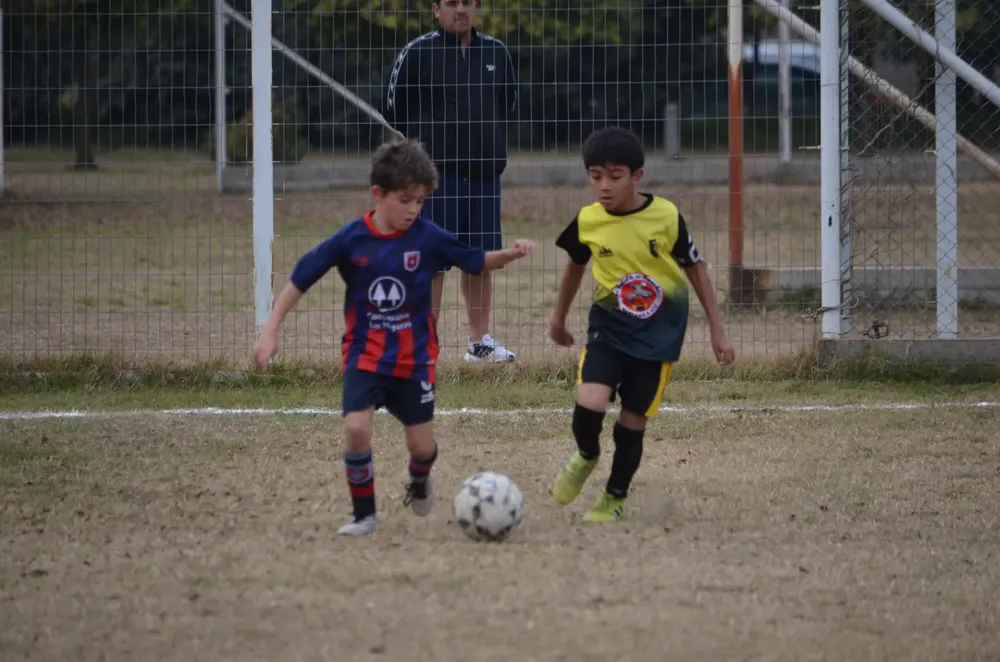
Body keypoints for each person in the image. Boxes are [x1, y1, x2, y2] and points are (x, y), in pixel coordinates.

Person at [253, 139, 536, 536]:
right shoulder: (353, 239)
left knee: (422, 448)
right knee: (356, 428)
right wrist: (270, 330)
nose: (414, 210)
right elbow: (303, 274)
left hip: (414, 360)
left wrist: (511, 253)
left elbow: (476, 260)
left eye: (420, 201)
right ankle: (364, 516)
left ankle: (419, 477)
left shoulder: (428, 237)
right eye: (405, 200)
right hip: (364, 356)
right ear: (378, 194)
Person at [547, 127, 736, 522]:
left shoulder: (666, 216)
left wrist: (718, 330)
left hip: (659, 336)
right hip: (609, 329)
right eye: (595, 176)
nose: (603, 186)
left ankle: (613, 497)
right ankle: (586, 455)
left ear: (637, 176)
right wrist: (558, 318)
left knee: (633, 421)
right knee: (590, 401)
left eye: (615, 176)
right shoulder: (587, 221)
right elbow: (574, 268)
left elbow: (696, 270)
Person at [383, 0, 519, 362]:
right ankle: (424, 344)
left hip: (485, 176)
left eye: (468, 3)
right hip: (436, 180)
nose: (461, 10)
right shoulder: (418, 53)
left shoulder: (496, 52)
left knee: (479, 260)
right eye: (452, 3)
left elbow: (507, 103)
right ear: (435, 9)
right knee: (433, 262)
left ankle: (479, 343)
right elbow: (393, 106)